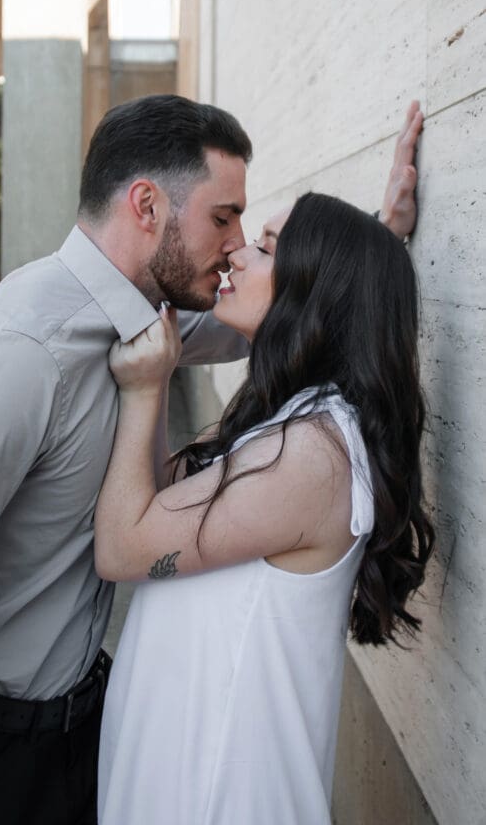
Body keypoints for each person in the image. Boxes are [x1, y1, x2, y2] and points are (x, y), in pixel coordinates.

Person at [0, 94, 423, 825]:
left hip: (70, 747)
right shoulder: (17, 353)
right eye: (222, 217)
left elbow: (295, 308)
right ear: (146, 206)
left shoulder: (157, 319)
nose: (235, 244)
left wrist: (379, 240)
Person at [95, 192, 435, 824]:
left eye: (266, 247)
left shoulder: (313, 453)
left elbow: (122, 547)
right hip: (186, 772)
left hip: (220, 795)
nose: (236, 253)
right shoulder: (285, 421)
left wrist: (144, 390)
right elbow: (161, 496)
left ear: (316, 289)